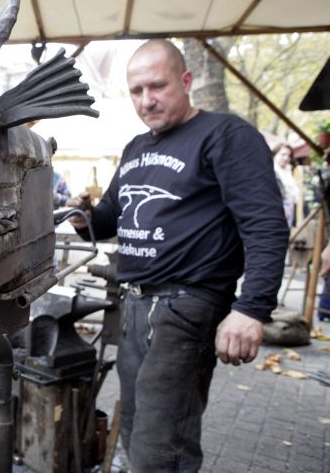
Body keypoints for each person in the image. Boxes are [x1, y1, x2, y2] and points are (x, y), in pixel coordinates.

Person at [66, 40, 289, 472]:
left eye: (157, 86)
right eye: (136, 91)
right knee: (135, 429)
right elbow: (109, 219)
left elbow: (265, 224)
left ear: (185, 81)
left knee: (160, 447)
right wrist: (84, 216)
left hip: (186, 306)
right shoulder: (136, 148)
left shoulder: (226, 135)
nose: (146, 100)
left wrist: (252, 308)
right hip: (135, 305)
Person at [272, 142, 300, 227]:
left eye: (289, 155)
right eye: (283, 154)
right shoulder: (272, 171)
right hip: (279, 208)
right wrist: (282, 209)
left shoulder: (288, 171)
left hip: (290, 206)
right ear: (275, 154)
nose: (286, 158)